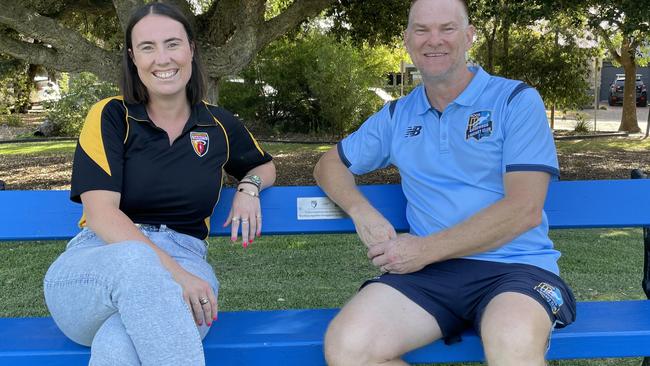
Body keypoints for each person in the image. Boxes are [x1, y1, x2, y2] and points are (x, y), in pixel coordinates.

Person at [313, 0, 576, 364]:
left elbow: (524, 210)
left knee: (512, 341)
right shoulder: (397, 115)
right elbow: (329, 165)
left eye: (447, 28)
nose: (433, 40)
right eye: (421, 30)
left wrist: (423, 250)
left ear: (469, 36)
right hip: (431, 276)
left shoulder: (515, 100)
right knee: (349, 347)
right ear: (407, 40)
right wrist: (361, 212)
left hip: (516, 268)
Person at [43, 3, 275, 365]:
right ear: (133, 57)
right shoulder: (111, 116)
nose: (162, 58)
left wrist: (250, 187)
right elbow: (102, 216)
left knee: (120, 346)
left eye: (172, 44)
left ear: (191, 50)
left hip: (187, 258)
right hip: (97, 267)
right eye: (147, 47)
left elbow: (262, 165)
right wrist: (175, 275)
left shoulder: (218, 125)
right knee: (136, 261)